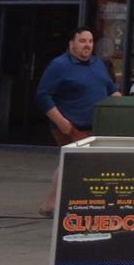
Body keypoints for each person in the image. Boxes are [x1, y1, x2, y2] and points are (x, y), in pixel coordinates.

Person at [36, 27, 121, 215]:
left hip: (95, 125)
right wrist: (60, 121)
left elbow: (111, 89)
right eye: (82, 41)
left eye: (90, 41)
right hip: (70, 126)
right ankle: (67, 204)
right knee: (78, 161)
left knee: (71, 162)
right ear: (71, 44)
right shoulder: (59, 65)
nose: (87, 45)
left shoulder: (98, 64)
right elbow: (43, 96)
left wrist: (121, 105)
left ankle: (52, 204)